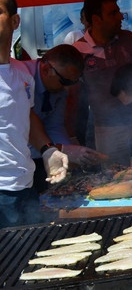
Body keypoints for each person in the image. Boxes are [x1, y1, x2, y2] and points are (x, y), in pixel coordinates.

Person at [0, 0, 68, 229]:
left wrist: (48, 150)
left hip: (24, 185)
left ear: (15, 21)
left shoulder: (22, 73)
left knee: (26, 257)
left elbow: (25, 116)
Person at [72, 0, 132, 167]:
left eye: (119, 12)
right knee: (114, 178)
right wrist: (73, 136)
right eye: (113, 13)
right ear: (96, 19)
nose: (120, 17)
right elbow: (73, 98)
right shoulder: (78, 51)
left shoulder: (130, 39)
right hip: (107, 129)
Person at [25, 44, 104, 193]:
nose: (67, 88)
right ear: (46, 69)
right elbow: (21, 132)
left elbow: (54, 126)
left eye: (73, 82)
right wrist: (63, 150)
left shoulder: (57, 87)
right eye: (65, 82)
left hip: (38, 156)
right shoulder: (22, 79)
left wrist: (72, 153)